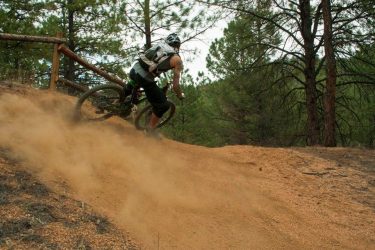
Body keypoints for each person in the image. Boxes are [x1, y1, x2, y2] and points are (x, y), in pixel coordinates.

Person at [123, 33, 185, 138]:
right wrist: (180, 95)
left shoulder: (159, 45)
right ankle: (150, 130)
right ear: (178, 47)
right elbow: (175, 86)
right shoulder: (177, 60)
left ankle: (116, 104)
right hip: (145, 79)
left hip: (134, 70)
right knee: (163, 105)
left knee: (133, 83)